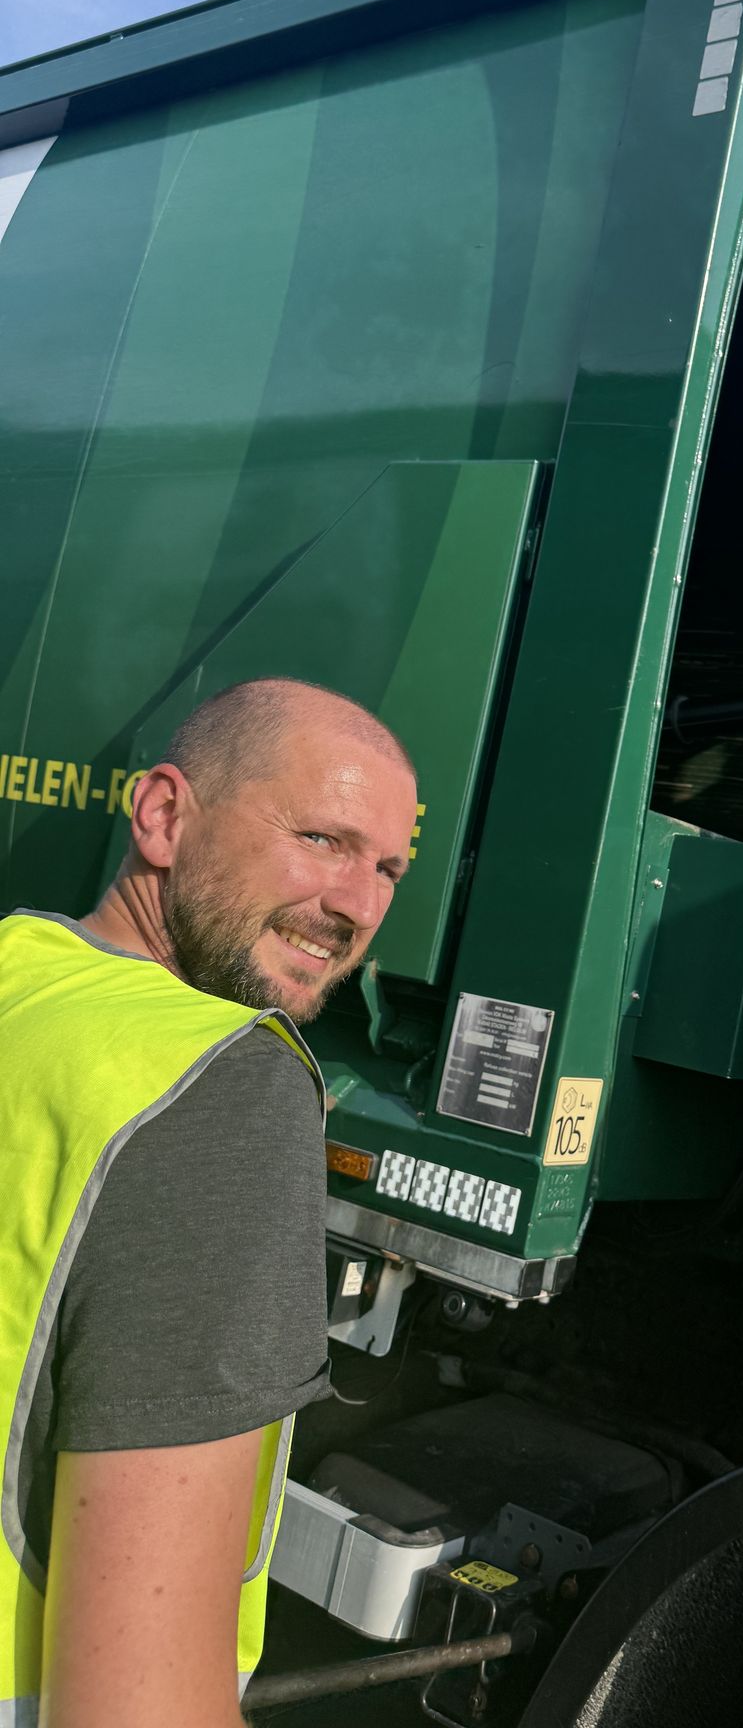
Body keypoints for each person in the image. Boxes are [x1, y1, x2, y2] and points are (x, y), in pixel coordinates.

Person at [0, 677, 418, 1728]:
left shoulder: (18, 969)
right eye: (322, 839)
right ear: (161, 816)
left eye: (388, 869)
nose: (360, 907)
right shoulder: (220, 1082)